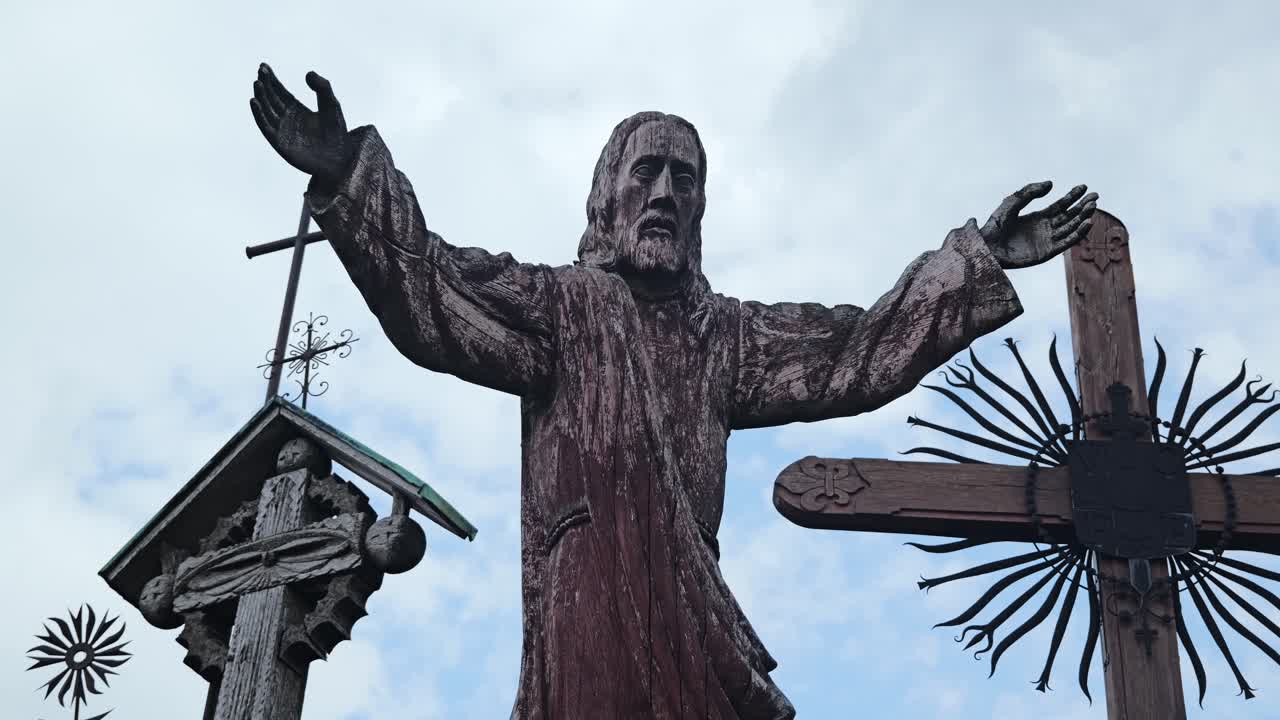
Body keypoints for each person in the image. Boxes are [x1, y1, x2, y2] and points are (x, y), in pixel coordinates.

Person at [250, 64, 1096, 719]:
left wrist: (976, 262)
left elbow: (858, 351)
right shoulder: (559, 305)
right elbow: (432, 295)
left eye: (684, 179)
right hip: (589, 614)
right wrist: (351, 177)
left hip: (692, 618)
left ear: (700, 209)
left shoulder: (728, 335)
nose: (663, 193)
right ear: (607, 195)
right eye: (646, 171)